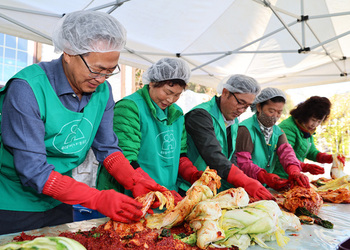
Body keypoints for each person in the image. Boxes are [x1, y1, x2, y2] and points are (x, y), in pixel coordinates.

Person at [0, 10, 166, 235]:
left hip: (61, 198)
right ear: (69, 52)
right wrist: (96, 198)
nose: (100, 80)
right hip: (14, 203)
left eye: (109, 72)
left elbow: (107, 148)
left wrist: (133, 179)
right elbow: (33, 171)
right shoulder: (27, 89)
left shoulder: (102, 92)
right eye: (96, 70)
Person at [96, 57, 203, 204]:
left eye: (177, 95)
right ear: (152, 82)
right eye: (167, 92)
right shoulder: (130, 107)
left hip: (164, 196)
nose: (171, 99)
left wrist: (192, 174)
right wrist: (150, 187)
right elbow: (126, 158)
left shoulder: (177, 114)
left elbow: (180, 154)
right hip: (129, 194)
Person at [182, 74, 275, 201]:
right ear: (225, 92)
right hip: (191, 187)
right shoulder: (200, 116)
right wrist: (244, 181)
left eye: (247, 106)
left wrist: (238, 186)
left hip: (212, 189)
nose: (242, 110)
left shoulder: (234, 121)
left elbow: (231, 156)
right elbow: (213, 155)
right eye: (240, 102)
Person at [235, 87, 310, 190]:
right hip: (243, 187)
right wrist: (263, 175)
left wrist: (295, 171)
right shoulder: (245, 129)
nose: (275, 116)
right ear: (259, 107)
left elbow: (287, 154)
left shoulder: (278, 132)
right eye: (271, 111)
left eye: (279, 112)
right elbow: (242, 162)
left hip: (263, 187)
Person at [273, 96, 345, 178]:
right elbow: (285, 156)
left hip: (293, 175)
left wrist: (328, 158)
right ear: (305, 115)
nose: (315, 125)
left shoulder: (306, 129)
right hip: (279, 176)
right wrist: (305, 167)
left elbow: (310, 151)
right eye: (313, 120)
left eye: (319, 121)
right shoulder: (288, 128)